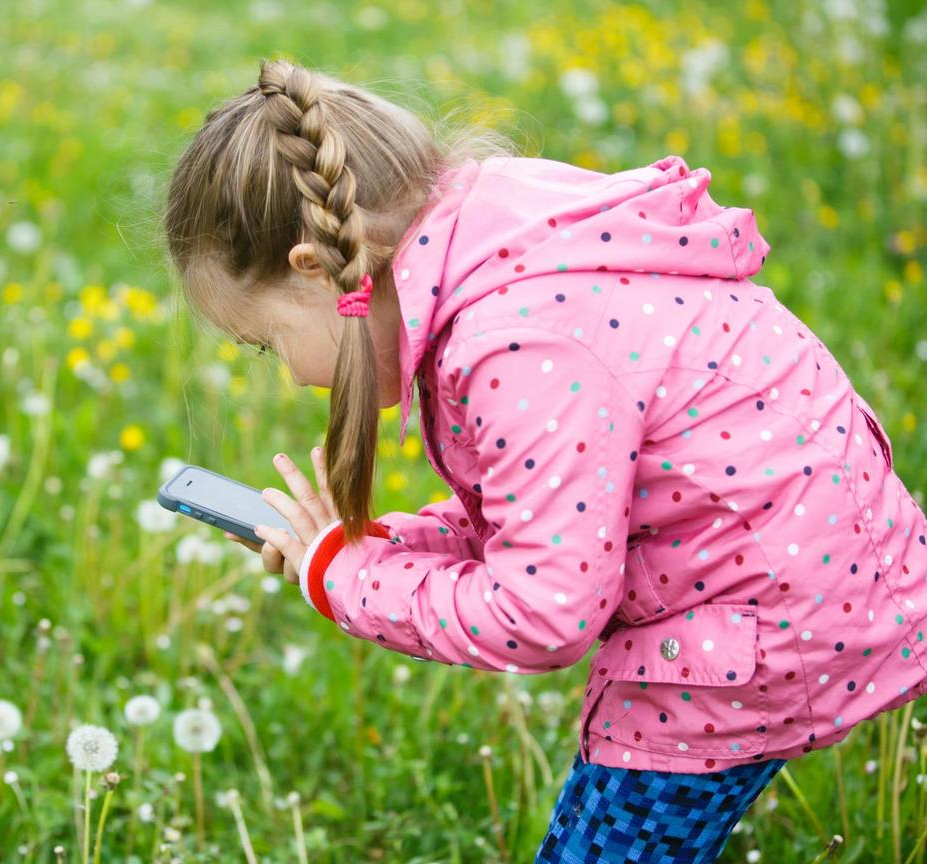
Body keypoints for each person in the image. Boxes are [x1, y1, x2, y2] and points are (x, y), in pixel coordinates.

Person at [163, 57, 927, 863]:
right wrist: (387, 549)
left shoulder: (517, 341)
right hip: (804, 557)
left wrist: (347, 581)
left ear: (313, 270)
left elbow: (541, 612)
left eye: (266, 342)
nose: (288, 372)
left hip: (758, 619)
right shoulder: (496, 237)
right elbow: (558, 504)